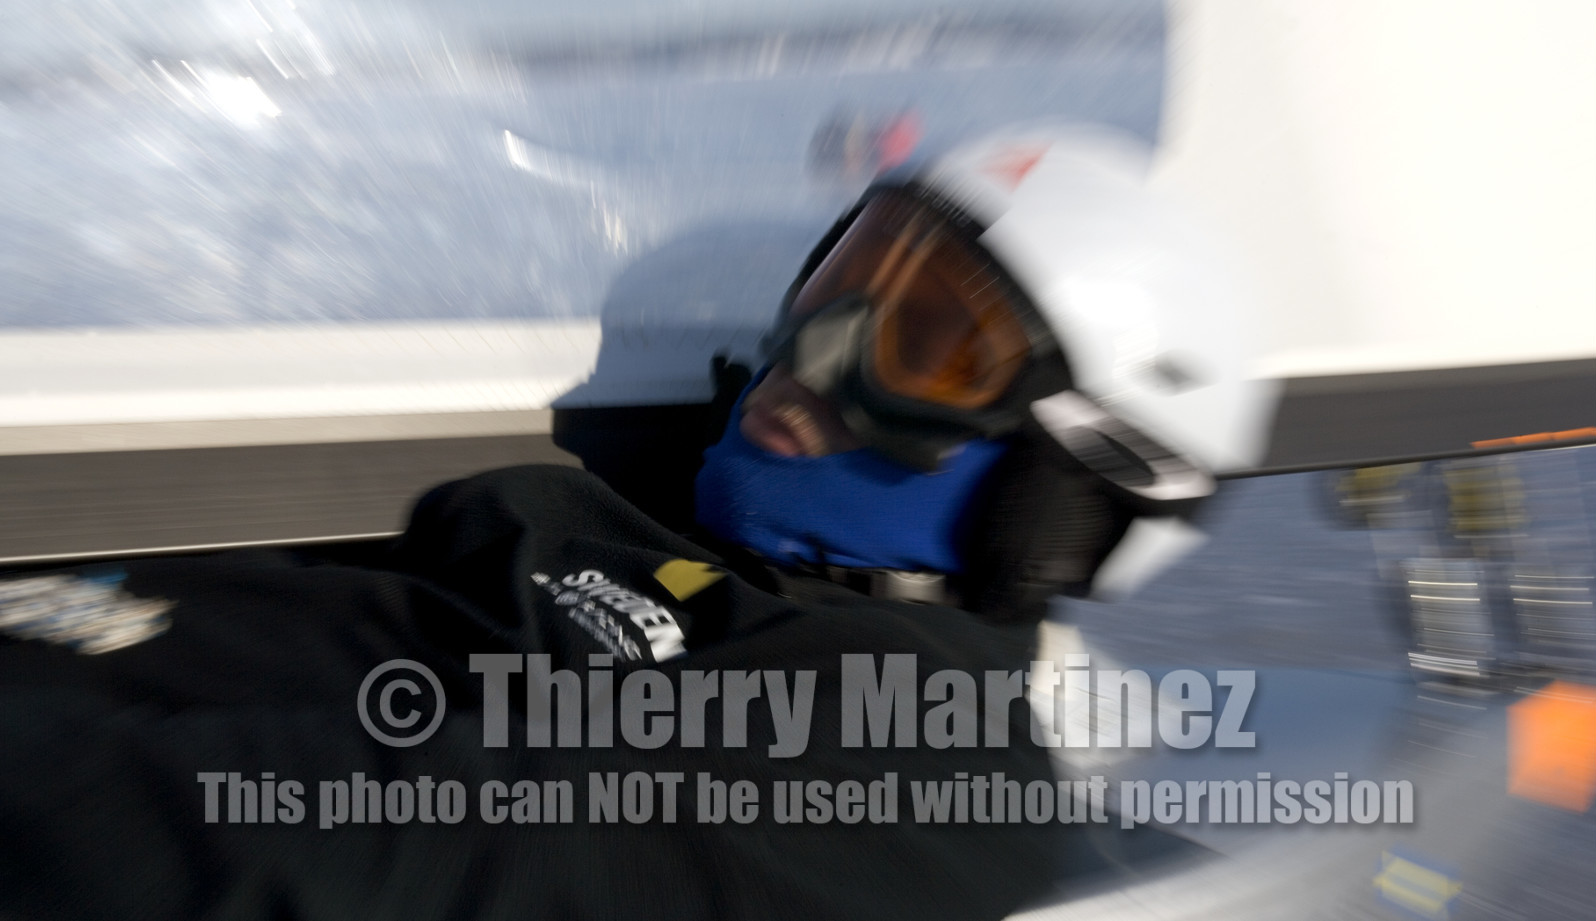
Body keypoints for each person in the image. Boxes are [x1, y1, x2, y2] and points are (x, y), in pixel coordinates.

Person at [0, 126, 1271, 921]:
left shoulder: (925, 773)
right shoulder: (639, 508)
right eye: (845, 281)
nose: (812, 352)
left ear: (1057, 497)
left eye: (924, 346)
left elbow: (299, 844)